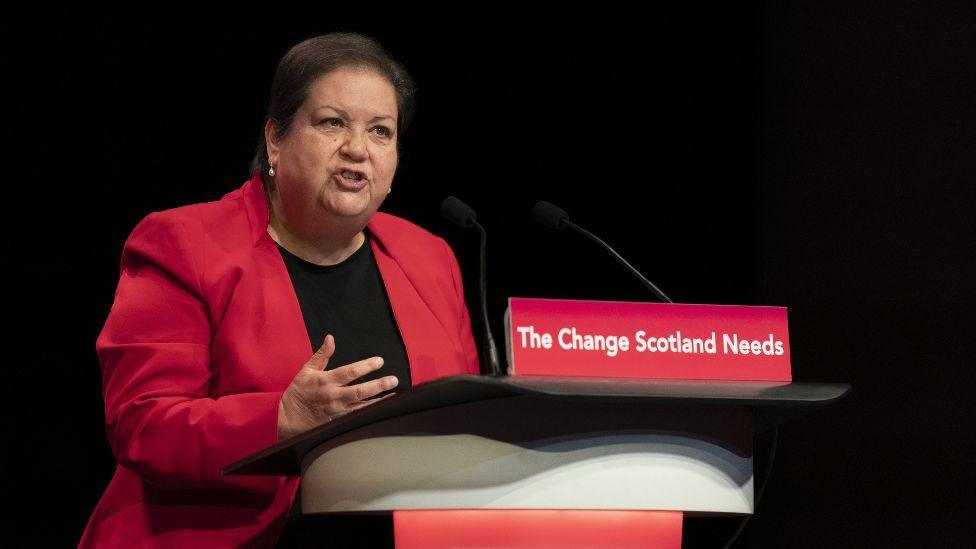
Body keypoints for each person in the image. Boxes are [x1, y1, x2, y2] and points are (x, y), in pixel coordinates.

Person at [79, 33, 480, 547]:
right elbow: (142, 424)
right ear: (275, 138)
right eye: (332, 123)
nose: (357, 148)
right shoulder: (183, 244)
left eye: (380, 131)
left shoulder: (429, 257)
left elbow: (463, 413)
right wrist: (280, 419)